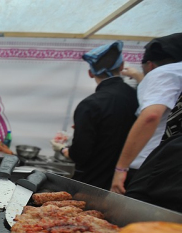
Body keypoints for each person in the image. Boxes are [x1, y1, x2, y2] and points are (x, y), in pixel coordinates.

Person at [51, 41, 138, 190]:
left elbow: (80, 154)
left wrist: (62, 149)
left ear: (90, 73)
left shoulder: (90, 104)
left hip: (93, 186)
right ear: (122, 66)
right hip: (127, 183)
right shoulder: (137, 97)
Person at [110, 32, 182, 194]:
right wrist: (138, 76)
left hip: (153, 167)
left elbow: (151, 116)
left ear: (150, 65)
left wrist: (120, 169)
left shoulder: (163, 73)